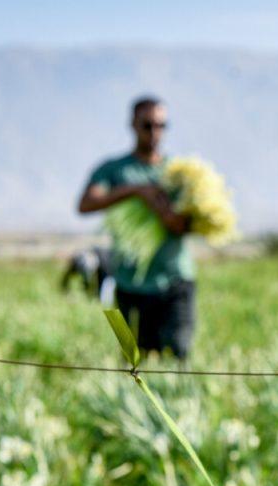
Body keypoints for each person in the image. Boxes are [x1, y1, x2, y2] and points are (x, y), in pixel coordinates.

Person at [77, 96, 195, 360]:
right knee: (132, 360)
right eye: (147, 125)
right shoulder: (114, 170)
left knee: (179, 355)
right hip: (128, 283)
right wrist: (136, 191)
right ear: (133, 124)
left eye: (162, 125)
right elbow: (86, 203)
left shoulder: (179, 173)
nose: (155, 132)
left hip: (176, 282)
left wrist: (174, 219)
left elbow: (194, 221)